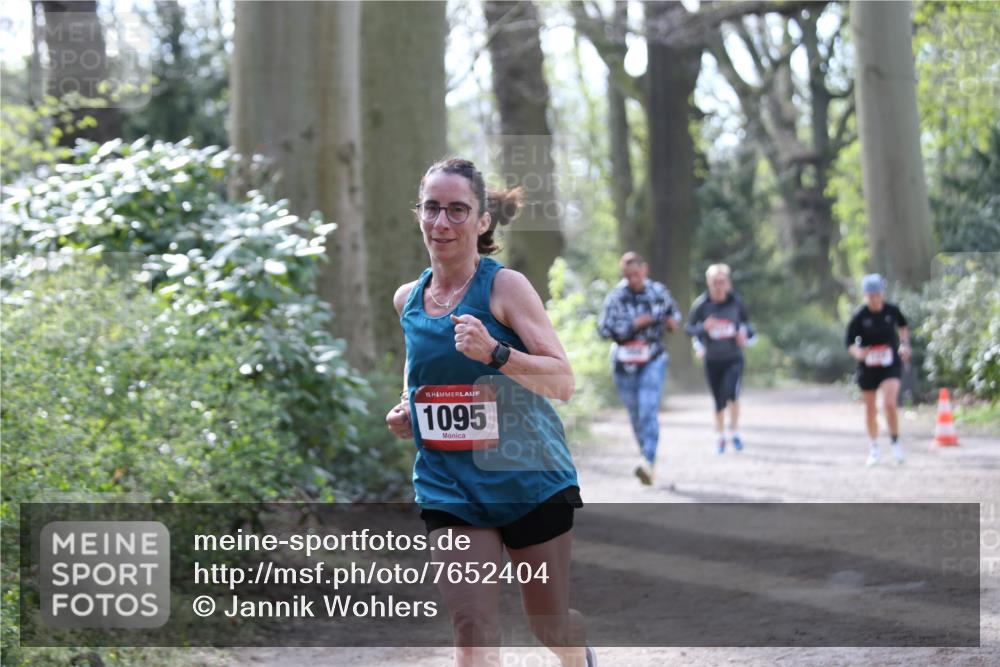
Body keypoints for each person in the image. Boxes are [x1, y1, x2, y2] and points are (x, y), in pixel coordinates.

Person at [385, 157, 595, 667]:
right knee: (472, 628)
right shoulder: (408, 299)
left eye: (457, 210)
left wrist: (497, 354)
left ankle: (577, 654)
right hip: (450, 484)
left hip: (528, 479)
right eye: (432, 208)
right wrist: (408, 410)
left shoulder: (505, 288)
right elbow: (421, 375)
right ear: (419, 215)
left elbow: (562, 382)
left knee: (548, 625)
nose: (442, 222)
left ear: (482, 221)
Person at [597, 252, 681, 485]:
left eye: (636, 274)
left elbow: (674, 316)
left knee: (648, 409)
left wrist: (671, 323)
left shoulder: (659, 292)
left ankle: (648, 461)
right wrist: (634, 325)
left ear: (645, 269)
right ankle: (646, 457)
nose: (633, 279)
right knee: (635, 414)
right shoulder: (616, 297)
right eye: (628, 276)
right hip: (624, 363)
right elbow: (604, 329)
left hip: (653, 358)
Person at [685, 263, 756, 454]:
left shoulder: (736, 302)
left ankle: (735, 432)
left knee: (732, 392)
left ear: (728, 282)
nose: (718, 285)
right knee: (718, 399)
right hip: (712, 359)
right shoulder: (701, 305)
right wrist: (704, 328)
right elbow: (689, 329)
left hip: (733, 357)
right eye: (714, 282)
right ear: (708, 283)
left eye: (722, 281)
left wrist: (745, 336)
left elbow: (748, 326)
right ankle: (721, 435)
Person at [845, 273, 912, 467]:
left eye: (877, 294)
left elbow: (903, 325)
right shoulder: (860, 316)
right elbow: (849, 342)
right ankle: (874, 447)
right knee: (870, 410)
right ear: (865, 295)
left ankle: (895, 442)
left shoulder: (892, 310)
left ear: (883, 294)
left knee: (889, 404)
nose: (874, 299)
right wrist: (858, 352)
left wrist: (904, 344)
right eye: (870, 295)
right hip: (868, 367)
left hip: (890, 364)